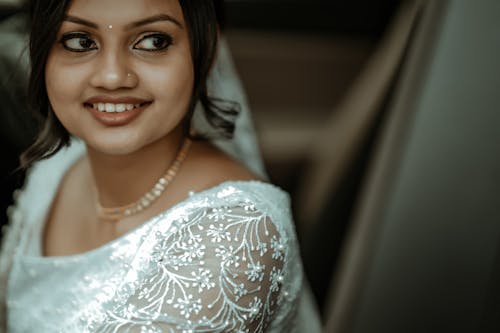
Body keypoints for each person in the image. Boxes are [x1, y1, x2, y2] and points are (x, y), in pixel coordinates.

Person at [0, 0, 320, 332]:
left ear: (206, 49)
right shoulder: (56, 170)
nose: (112, 77)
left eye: (153, 41)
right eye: (80, 42)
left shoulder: (238, 232)